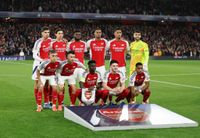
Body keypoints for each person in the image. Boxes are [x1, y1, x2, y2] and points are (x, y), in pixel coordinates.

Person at [32, 26, 52, 109]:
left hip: (47, 65)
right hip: (38, 64)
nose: (47, 34)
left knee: (47, 84)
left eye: (48, 32)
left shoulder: (51, 40)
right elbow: (34, 55)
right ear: (42, 33)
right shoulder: (38, 42)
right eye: (45, 32)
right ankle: (38, 102)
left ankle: (46, 102)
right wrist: (42, 60)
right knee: (38, 83)